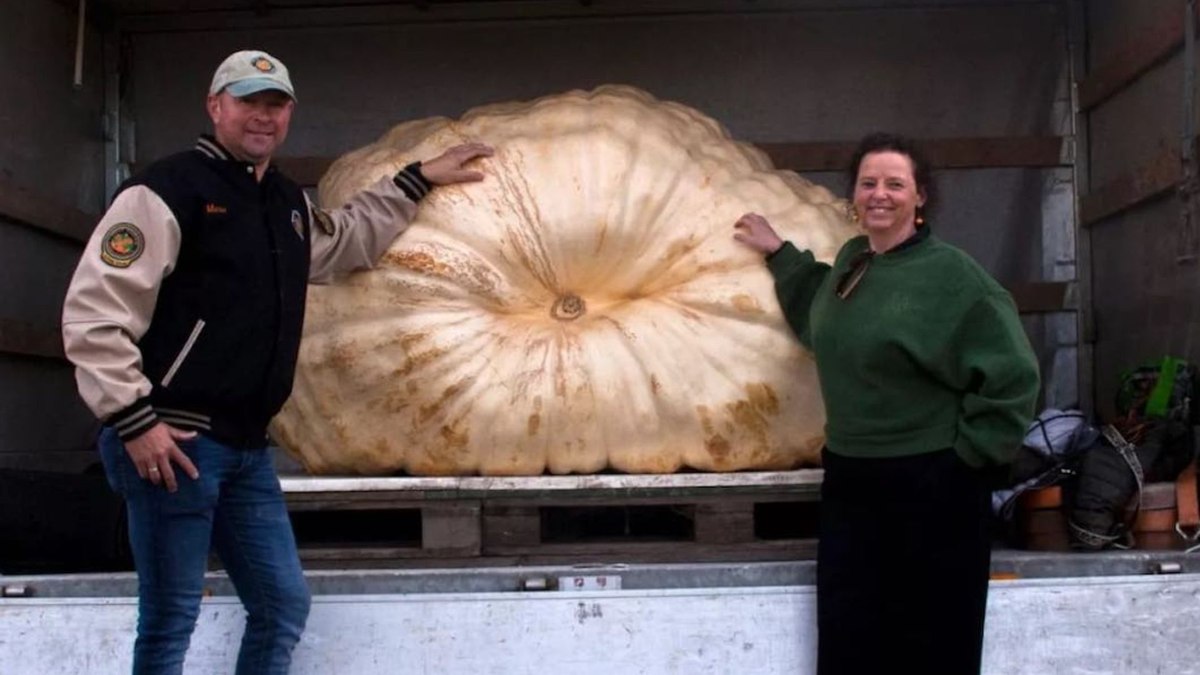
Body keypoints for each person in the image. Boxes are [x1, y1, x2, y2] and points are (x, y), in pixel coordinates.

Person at [61, 49, 493, 674]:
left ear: (288, 113)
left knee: (282, 604)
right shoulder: (166, 191)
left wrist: (417, 178)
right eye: (247, 102)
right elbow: (96, 313)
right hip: (173, 440)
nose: (262, 117)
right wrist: (134, 419)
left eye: (275, 104)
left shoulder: (283, 201)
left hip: (245, 448)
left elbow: (342, 241)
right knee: (170, 617)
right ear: (215, 107)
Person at [733, 132, 1039, 674]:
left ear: (920, 197)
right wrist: (782, 255)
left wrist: (968, 461)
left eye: (895, 184)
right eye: (868, 182)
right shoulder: (854, 261)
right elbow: (822, 318)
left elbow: (1013, 376)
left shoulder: (954, 278)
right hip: (852, 480)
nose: (880, 194)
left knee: (933, 637)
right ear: (854, 194)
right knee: (852, 635)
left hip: (933, 484)